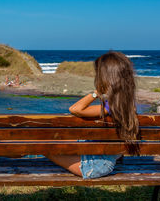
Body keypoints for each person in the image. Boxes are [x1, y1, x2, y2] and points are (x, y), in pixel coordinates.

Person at [46, 51, 140, 179]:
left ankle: (11, 153)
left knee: (43, 148)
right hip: (100, 159)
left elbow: (74, 109)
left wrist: (96, 92)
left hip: (94, 166)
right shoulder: (128, 106)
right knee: (50, 142)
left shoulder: (109, 108)